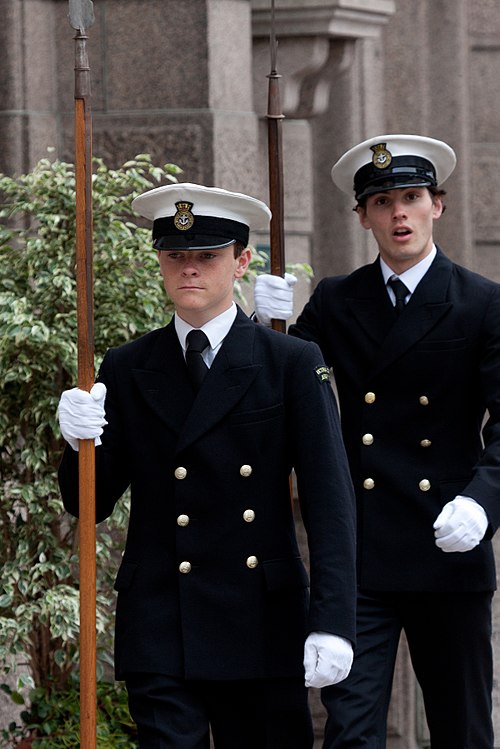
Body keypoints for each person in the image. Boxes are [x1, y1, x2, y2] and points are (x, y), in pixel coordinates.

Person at [56, 182, 357, 749]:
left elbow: (330, 501)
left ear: (241, 262)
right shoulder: (127, 366)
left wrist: (334, 621)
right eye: (176, 257)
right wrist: (76, 443)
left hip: (260, 620)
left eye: (207, 257)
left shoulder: (290, 362)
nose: (189, 270)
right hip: (163, 619)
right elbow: (86, 503)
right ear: (161, 263)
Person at [253, 134, 500, 749]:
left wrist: (483, 501)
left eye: (412, 197)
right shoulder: (339, 299)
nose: (399, 214)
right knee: (351, 730)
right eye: (383, 201)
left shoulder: (481, 302)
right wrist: (260, 326)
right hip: (361, 551)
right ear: (361, 215)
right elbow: (280, 391)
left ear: (437, 205)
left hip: (449, 544)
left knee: (462, 728)